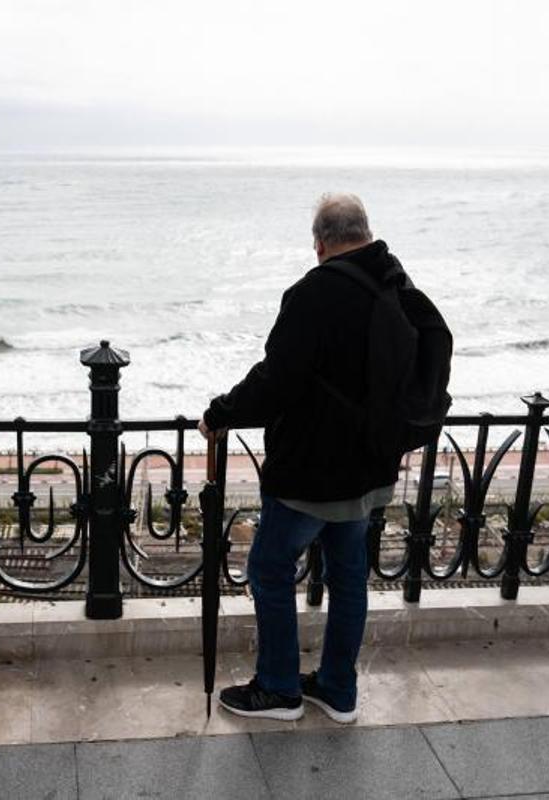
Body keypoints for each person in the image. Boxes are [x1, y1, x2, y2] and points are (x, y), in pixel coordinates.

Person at [199, 193, 427, 724]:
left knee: (270, 569)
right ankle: (337, 689)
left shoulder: (313, 293)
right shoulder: (397, 283)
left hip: (313, 473)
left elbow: (277, 380)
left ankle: (279, 689)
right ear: (366, 233)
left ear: (320, 243)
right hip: (370, 469)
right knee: (349, 577)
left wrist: (220, 412)